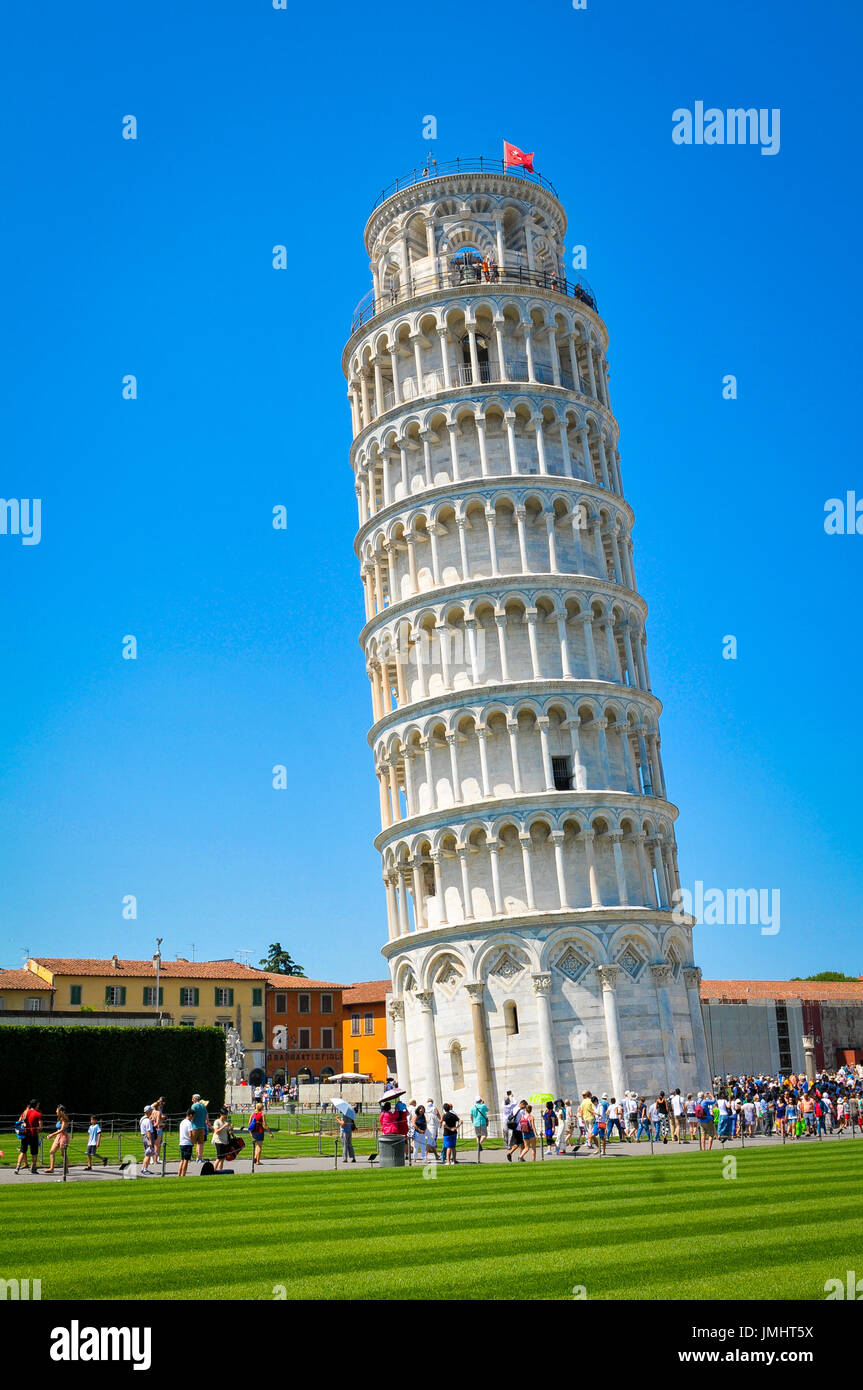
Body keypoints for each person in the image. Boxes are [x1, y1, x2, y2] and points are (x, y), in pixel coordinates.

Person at [15, 1098, 42, 1175]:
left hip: (25, 1135)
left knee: (22, 1152)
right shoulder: (38, 1114)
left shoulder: (25, 1112)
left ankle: (17, 1167)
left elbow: (20, 1121)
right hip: (33, 1135)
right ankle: (33, 1168)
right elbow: (40, 1127)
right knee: (34, 1153)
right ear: (36, 1105)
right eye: (38, 1105)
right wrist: (37, 1130)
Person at [45, 1106, 70, 1175]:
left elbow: (62, 1129)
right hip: (58, 1136)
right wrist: (55, 1136)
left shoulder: (64, 1118)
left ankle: (66, 1170)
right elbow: (59, 1130)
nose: (56, 1111)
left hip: (64, 1137)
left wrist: (52, 1134)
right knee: (52, 1152)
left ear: (60, 1111)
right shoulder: (59, 1118)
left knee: (63, 1153)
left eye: (57, 1110)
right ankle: (51, 1168)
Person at [190, 1093, 210, 1161]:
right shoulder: (203, 1106)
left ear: (195, 1099)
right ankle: (199, 1158)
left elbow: (192, 1116)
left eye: (193, 1099)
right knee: (200, 1143)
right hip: (202, 1127)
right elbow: (206, 1117)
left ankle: (189, 1156)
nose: (192, 1100)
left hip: (194, 1127)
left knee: (191, 1142)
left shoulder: (194, 1106)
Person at [212, 1107, 233, 1172]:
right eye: (225, 1114)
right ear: (221, 1114)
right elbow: (216, 1131)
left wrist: (231, 1129)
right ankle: (212, 1171)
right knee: (219, 1158)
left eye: (226, 1114)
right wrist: (224, 1126)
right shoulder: (217, 1121)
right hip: (218, 1141)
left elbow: (229, 1133)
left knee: (223, 1158)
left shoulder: (225, 1122)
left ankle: (219, 1171)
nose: (226, 1116)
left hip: (224, 1141)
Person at [139, 1106, 156, 1174]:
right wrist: (150, 1141)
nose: (152, 1112)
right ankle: (144, 1169)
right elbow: (148, 1131)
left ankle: (144, 1168)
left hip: (144, 1137)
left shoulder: (142, 1119)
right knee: (148, 1154)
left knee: (148, 1154)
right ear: (148, 1111)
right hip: (148, 1137)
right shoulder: (147, 1120)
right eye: (151, 1111)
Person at [177, 1110, 194, 1177]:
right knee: (186, 1160)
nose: (193, 1117)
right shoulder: (189, 1123)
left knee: (182, 1160)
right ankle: (183, 1175)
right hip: (187, 1143)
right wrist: (192, 1141)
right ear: (190, 1115)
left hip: (181, 1142)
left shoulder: (182, 1122)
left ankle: (179, 1174)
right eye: (193, 1116)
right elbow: (190, 1134)